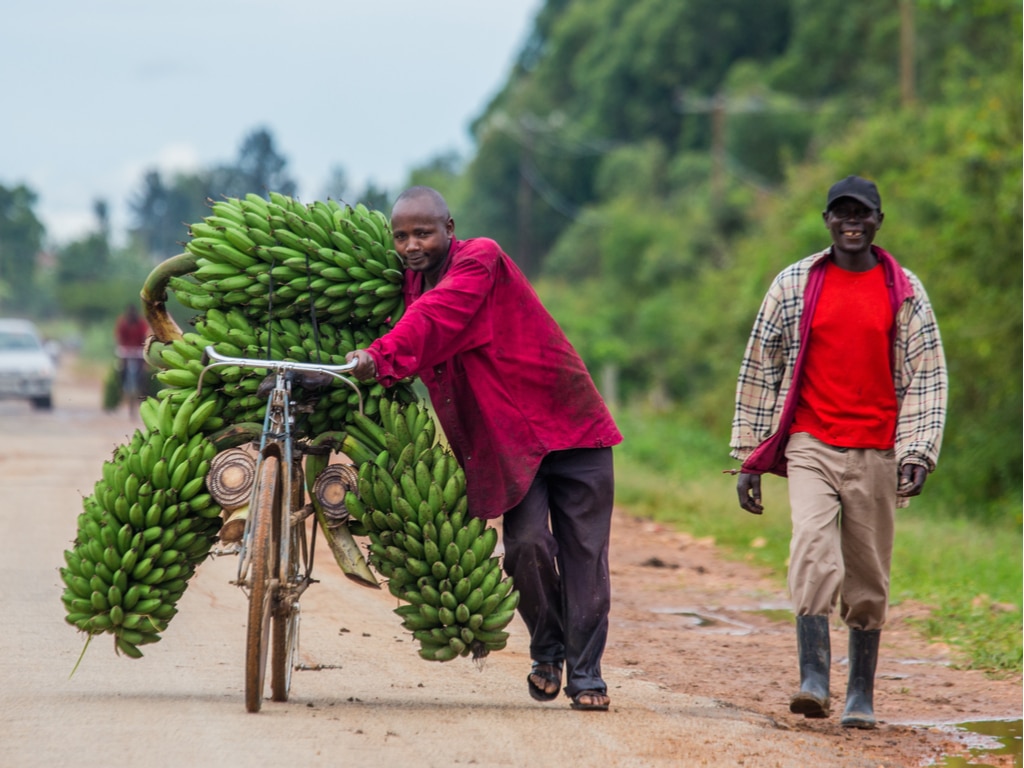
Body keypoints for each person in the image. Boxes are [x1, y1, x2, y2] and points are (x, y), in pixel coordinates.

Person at [346, 186, 622, 711]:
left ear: (450, 229)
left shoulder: (480, 261)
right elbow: (411, 318)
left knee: (586, 558)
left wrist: (377, 357)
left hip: (570, 425)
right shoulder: (407, 285)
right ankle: (548, 648)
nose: (411, 245)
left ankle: (587, 678)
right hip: (510, 442)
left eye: (423, 232)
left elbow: (436, 319)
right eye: (401, 235)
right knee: (525, 547)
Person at [728, 176, 947, 729]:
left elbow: (927, 377)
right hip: (811, 443)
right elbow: (761, 364)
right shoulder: (796, 284)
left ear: (878, 220)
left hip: (877, 450)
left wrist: (918, 451)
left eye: (862, 213)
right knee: (812, 549)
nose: (852, 221)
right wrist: (752, 456)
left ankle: (860, 696)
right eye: (841, 212)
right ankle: (814, 680)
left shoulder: (905, 291)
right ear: (827, 220)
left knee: (868, 576)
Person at [114, 304, 151, 412]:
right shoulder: (123, 322)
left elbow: (145, 336)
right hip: (126, 351)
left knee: (143, 373)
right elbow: (119, 337)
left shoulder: (141, 323)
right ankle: (122, 390)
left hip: (138, 351)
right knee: (121, 371)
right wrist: (120, 348)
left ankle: (143, 392)